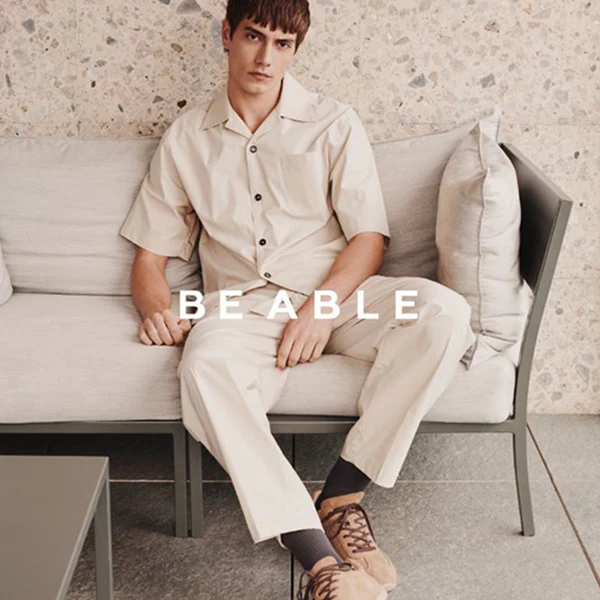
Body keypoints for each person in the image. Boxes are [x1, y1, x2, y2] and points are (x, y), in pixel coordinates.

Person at [118, 1, 477, 598]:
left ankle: (340, 496)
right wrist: (157, 308)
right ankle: (321, 561)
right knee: (204, 368)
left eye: (282, 44)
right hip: (243, 307)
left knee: (444, 313)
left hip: (339, 297)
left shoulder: (333, 122)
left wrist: (321, 309)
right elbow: (149, 260)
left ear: (295, 50)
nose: (266, 57)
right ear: (227, 35)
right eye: (254, 36)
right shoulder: (186, 137)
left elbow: (369, 238)